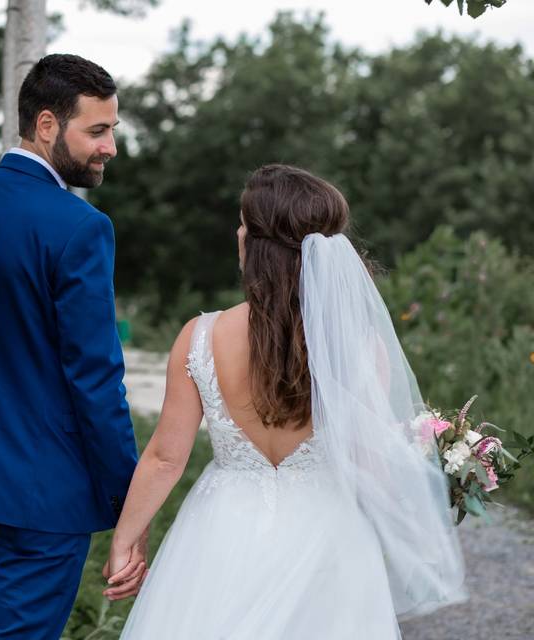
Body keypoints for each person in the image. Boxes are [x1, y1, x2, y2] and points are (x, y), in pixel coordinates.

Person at [105, 164, 467, 638]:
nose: (236, 232)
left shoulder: (200, 337)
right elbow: (369, 461)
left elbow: (165, 458)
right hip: (328, 530)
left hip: (222, 530)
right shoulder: (358, 345)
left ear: (258, 244)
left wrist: (126, 540)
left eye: (242, 223)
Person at [0, 54, 142, 639]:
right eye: (97, 131)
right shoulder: (80, 228)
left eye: (111, 131)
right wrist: (130, 496)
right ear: (47, 125)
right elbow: (96, 379)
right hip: (47, 493)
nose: (109, 148)